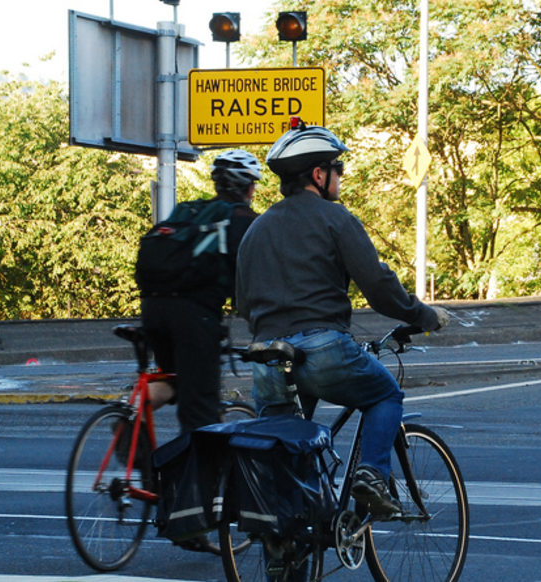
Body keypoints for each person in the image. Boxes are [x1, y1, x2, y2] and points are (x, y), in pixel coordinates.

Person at [235, 120, 449, 518]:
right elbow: (379, 285)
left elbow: (243, 304)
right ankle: (370, 475)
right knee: (386, 396)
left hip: (268, 357)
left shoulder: (256, 230)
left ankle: (287, 549)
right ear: (319, 174)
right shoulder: (336, 219)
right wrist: (423, 315)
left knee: (289, 453)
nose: (340, 178)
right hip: (323, 351)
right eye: (338, 169)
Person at [141, 149, 261, 435]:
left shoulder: (190, 211)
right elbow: (250, 281)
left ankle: (131, 412)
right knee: (201, 409)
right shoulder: (242, 220)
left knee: (177, 380)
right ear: (247, 186)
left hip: (153, 308)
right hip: (194, 317)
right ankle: (200, 479)